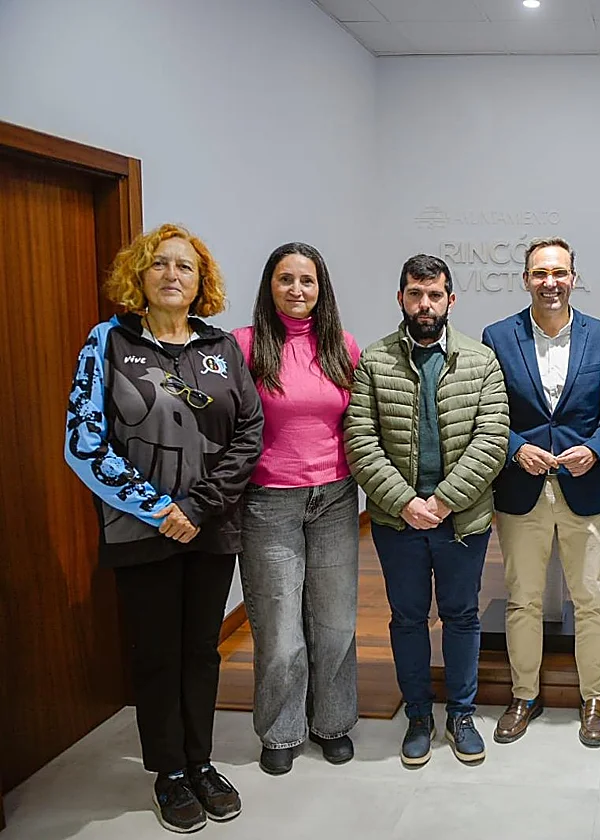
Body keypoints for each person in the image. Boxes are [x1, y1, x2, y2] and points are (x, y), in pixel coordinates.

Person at [64, 223, 263, 832]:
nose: (172, 275)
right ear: (139, 277)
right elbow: (84, 441)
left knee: (200, 649)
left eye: (185, 267)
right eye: (160, 265)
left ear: (201, 282)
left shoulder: (221, 347)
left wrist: (197, 508)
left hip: (208, 527)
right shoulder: (108, 343)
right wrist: (158, 508)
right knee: (155, 652)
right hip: (140, 530)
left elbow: (248, 431)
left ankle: (200, 762)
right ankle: (169, 774)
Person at [345, 254, 508, 769]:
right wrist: (405, 502)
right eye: (415, 294)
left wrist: (442, 501)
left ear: (450, 300)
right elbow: (360, 440)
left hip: (462, 520)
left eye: (434, 294)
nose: (425, 304)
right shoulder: (374, 361)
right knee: (408, 618)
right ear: (401, 298)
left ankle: (461, 713)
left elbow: (492, 439)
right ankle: (418, 714)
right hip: (398, 522)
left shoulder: (480, 361)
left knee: (462, 616)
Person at [482, 237, 600, 748]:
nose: (550, 282)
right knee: (523, 600)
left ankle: (594, 699)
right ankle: (524, 695)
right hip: (522, 491)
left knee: (592, 599)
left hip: (584, 489)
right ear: (525, 279)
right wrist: (516, 447)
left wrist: (597, 448)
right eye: (540, 273)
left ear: (573, 277)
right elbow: (490, 411)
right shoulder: (498, 337)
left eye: (558, 272)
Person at [232, 243, 362, 776]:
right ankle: (282, 729)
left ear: (321, 287)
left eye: (306, 280)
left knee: (335, 622)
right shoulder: (244, 346)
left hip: (335, 497)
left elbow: (357, 421)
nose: (296, 290)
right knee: (280, 626)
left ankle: (332, 722)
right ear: (269, 286)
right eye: (285, 280)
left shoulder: (342, 347)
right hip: (268, 502)